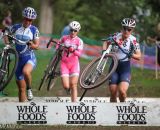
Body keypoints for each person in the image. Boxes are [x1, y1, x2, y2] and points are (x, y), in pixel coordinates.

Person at [4, 7, 39, 102]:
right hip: (18, 60)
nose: (28, 21)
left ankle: (29, 88)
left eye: (30, 20)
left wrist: (32, 45)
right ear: (23, 18)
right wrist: (7, 43)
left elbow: (37, 46)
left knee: (26, 72)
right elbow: (6, 33)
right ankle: (21, 110)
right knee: (20, 89)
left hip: (29, 58)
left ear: (32, 20)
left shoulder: (34, 30)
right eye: (26, 19)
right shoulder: (16, 27)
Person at [102, 18, 141, 102]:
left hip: (125, 68)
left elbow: (139, 56)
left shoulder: (133, 40)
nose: (126, 31)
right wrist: (104, 52)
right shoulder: (115, 36)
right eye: (124, 28)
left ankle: (122, 110)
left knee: (122, 92)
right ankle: (112, 113)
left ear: (132, 30)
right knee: (113, 92)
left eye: (129, 29)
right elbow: (105, 42)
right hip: (114, 67)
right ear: (122, 28)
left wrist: (132, 54)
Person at [58, 21, 83, 102]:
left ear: (78, 31)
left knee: (73, 84)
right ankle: (68, 90)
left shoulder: (79, 41)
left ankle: (74, 104)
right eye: (71, 30)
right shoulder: (64, 38)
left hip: (74, 64)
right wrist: (59, 48)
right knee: (66, 86)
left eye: (75, 30)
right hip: (64, 63)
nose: (73, 32)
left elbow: (79, 54)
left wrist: (73, 51)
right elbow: (58, 44)